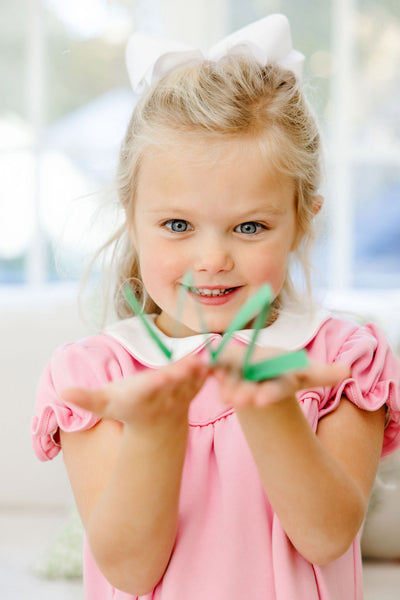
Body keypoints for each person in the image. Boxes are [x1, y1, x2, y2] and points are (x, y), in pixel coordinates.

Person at [32, 14, 400, 600]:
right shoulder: (96, 376)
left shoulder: (344, 360)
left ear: (302, 222)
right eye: (177, 225)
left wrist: (271, 406)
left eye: (249, 226)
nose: (212, 259)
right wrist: (155, 429)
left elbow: (328, 535)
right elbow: (129, 569)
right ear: (131, 217)